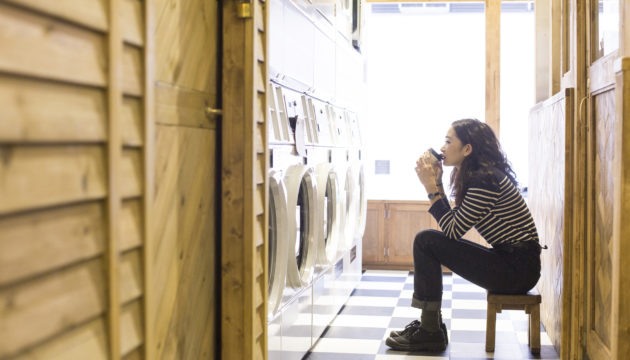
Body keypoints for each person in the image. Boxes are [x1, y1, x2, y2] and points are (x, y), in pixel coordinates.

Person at [385, 118, 543, 352]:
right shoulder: (480, 176)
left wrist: (430, 188)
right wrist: (437, 183)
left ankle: (430, 331)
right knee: (427, 240)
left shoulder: (484, 180)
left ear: (467, 149)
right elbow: (453, 227)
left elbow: (452, 230)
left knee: (426, 240)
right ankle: (431, 327)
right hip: (515, 263)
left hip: (516, 269)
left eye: (448, 142)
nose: (442, 148)